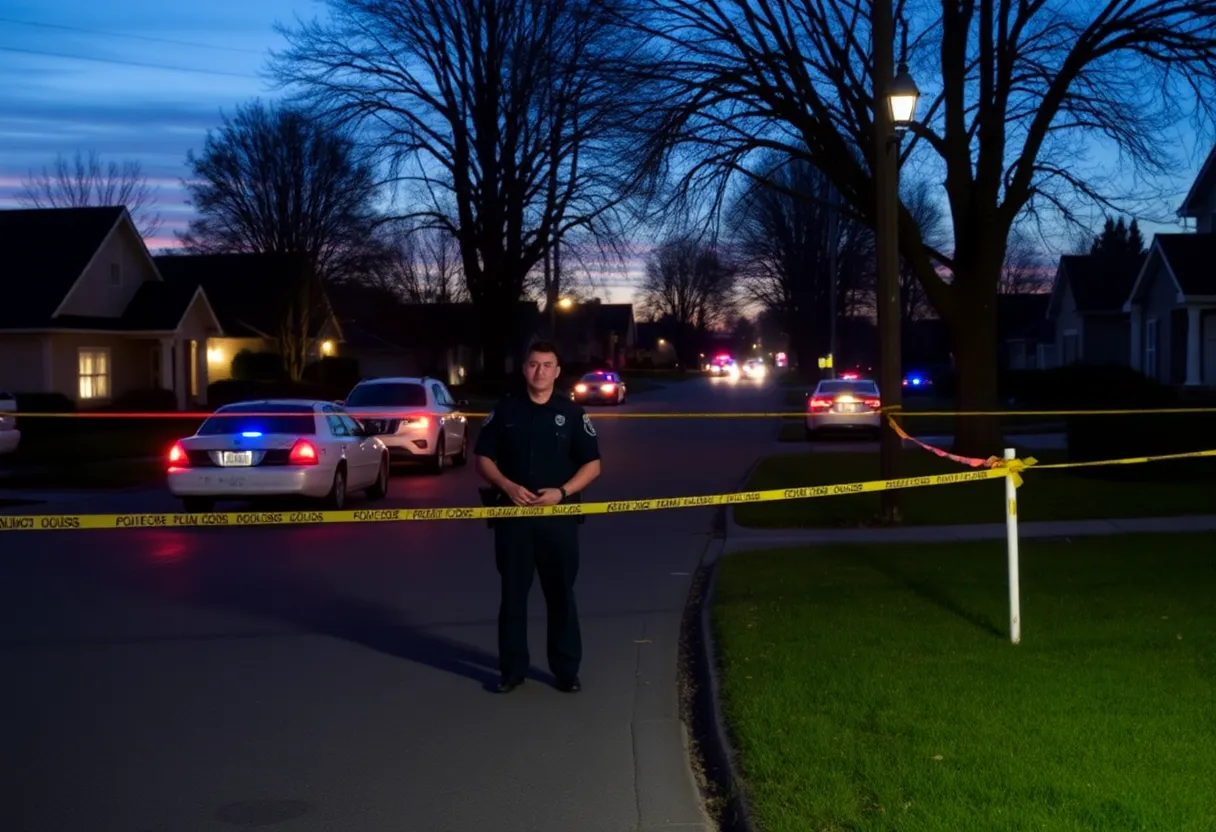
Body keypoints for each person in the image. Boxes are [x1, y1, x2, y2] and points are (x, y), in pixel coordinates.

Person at [474, 341, 602, 694]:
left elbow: (593, 464)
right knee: (513, 595)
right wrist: (506, 485)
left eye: (547, 365)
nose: (540, 371)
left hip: (557, 519)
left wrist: (561, 493)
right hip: (514, 518)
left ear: (557, 371)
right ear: (524, 368)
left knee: (560, 593)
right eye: (533, 364)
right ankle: (512, 671)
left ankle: (565, 670)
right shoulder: (506, 410)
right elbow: (483, 457)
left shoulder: (572, 414)